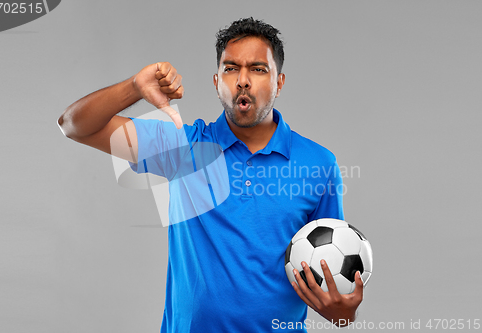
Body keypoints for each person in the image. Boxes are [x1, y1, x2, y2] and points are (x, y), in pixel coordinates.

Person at [58, 17, 363, 332]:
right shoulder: (182, 147)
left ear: (279, 82)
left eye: (258, 69)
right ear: (217, 81)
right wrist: (134, 87)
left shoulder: (319, 164)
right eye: (231, 68)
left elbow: (331, 274)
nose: (242, 80)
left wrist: (344, 315)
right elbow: (73, 125)